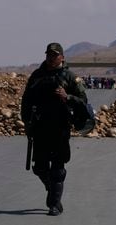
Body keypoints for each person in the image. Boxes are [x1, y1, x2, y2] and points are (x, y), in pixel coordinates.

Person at [21, 42, 88, 216]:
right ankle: (52, 190)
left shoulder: (70, 77)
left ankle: (54, 204)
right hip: (40, 127)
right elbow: (26, 100)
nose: (51, 58)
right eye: (49, 55)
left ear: (62, 57)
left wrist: (68, 97)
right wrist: (26, 122)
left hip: (60, 127)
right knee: (40, 168)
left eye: (55, 55)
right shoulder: (37, 76)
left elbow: (83, 101)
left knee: (58, 167)